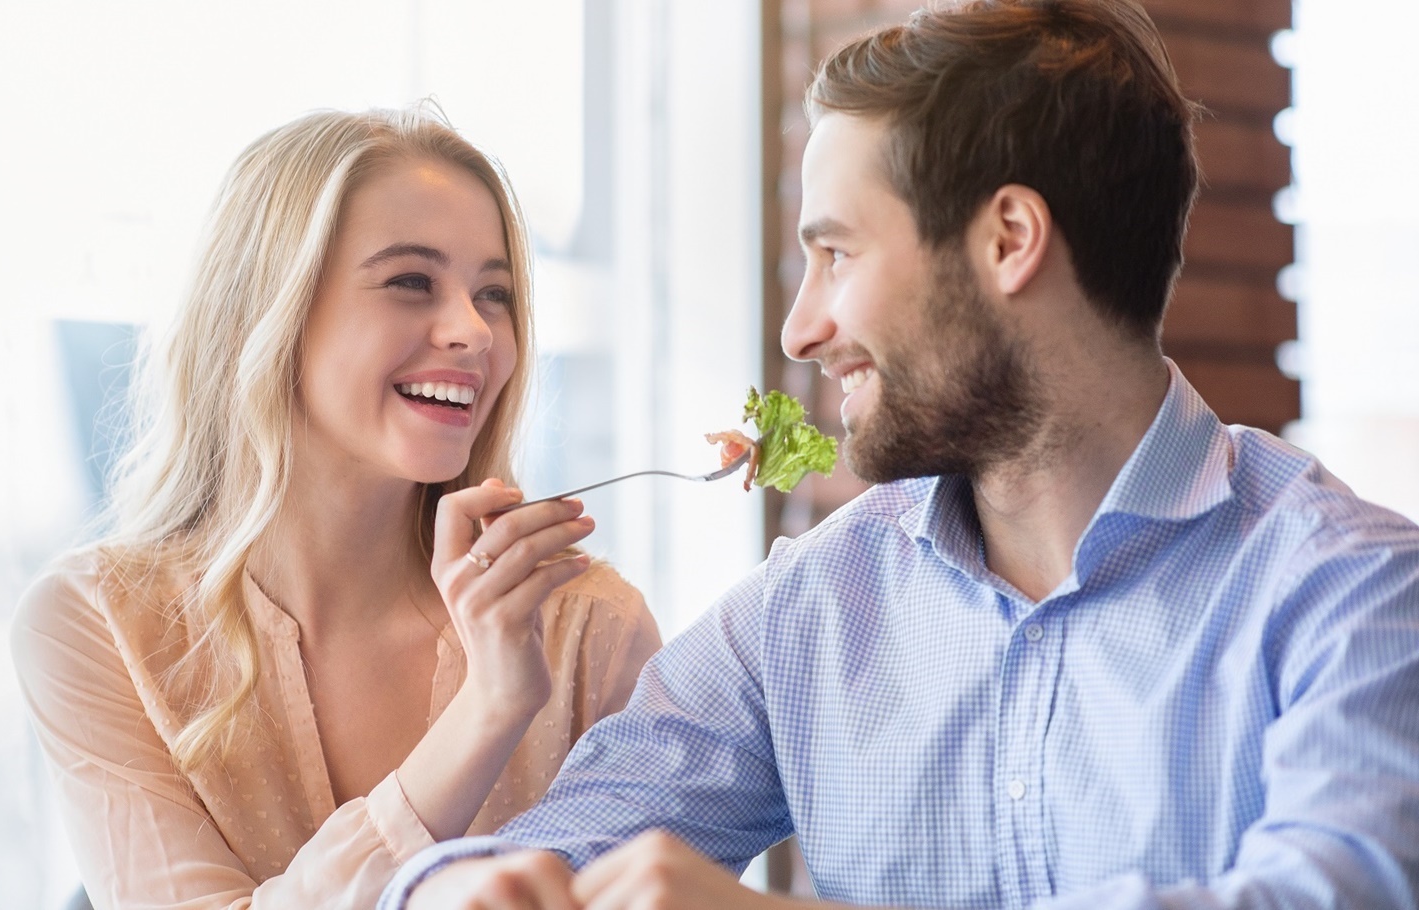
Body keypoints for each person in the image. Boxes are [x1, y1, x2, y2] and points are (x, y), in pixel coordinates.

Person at [381, 2, 1419, 908]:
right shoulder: (809, 610)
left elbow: (1335, 891)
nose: (799, 329)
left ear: (1010, 238)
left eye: (835, 253)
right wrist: (466, 886)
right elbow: (512, 863)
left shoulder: (1354, 590)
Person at [10, 107, 660, 909]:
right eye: (410, 281)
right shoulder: (97, 625)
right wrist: (491, 707)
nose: (473, 331)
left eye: (493, 294)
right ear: (267, 313)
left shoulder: (590, 631)